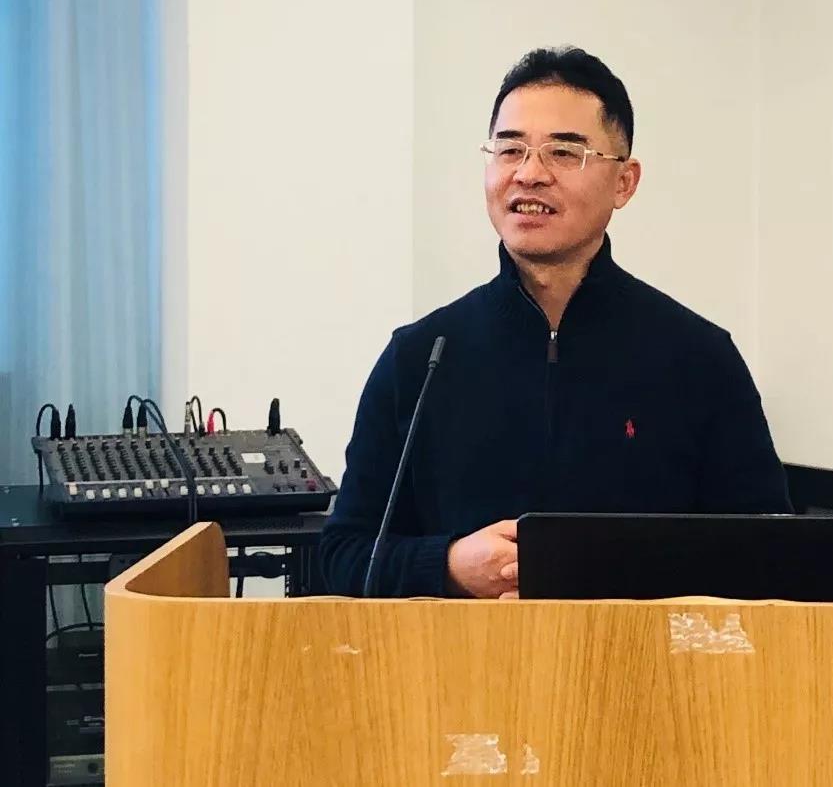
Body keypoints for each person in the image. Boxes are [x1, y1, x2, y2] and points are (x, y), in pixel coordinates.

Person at [321, 46, 791, 599]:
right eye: (510, 149)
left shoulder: (700, 358)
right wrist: (445, 565)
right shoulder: (421, 356)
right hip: (462, 654)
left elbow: (772, 557)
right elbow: (343, 554)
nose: (529, 174)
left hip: (639, 653)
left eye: (564, 152)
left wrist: (605, 576)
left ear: (624, 182)